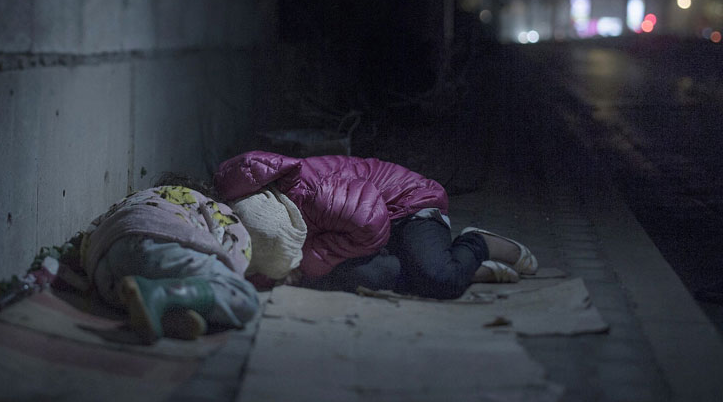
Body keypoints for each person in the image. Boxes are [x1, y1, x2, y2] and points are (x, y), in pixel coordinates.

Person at [214, 151, 537, 300]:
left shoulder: (316, 195)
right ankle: (459, 266)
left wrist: (304, 263)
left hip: (406, 207)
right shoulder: (247, 212)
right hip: (356, 234)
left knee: (441, 281)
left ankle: (477, 243)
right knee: (355, 276)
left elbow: (372, 224)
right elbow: (261, 260)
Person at [79, 184, 261, 343]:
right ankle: (162, 294)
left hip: (107, 273)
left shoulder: (130, 199)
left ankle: (162, 309)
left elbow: (86, 237)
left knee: (143, 291)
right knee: (244, 297)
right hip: (158, 245)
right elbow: (236, 246)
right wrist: (230, 280)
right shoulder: (208, 203)